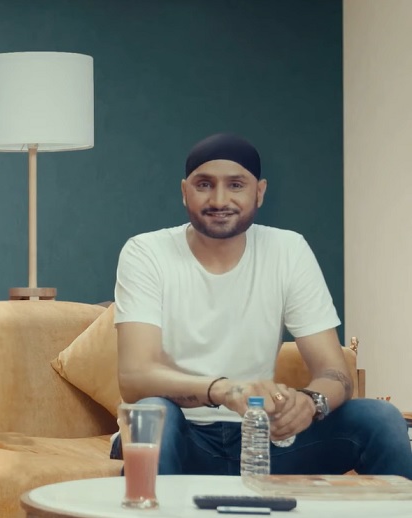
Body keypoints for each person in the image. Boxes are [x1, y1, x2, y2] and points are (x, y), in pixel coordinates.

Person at [110, 132, 412, 477]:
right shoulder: (146, 252)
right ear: (184, 191)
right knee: (154, 412)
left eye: (236, 185)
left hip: (264, 439)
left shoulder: (288, 250)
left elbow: (335, 372)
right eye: (204, 184)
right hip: (181, 438)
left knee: (379, 418)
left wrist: (310, 403)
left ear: (260, 192)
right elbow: (135, 377)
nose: (219, 199)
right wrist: (224, 390)